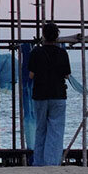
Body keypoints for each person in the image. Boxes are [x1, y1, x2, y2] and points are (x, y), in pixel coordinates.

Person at [28, 21, 71, 166]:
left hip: (40, 94)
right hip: (58, 94)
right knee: (56, 130)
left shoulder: (36, 52)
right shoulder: (62, 53)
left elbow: (31, 75)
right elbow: (66, 75)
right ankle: (51, 162)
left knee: (41, 129)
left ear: (43, 36)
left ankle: (38, 162)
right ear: (57, 36)